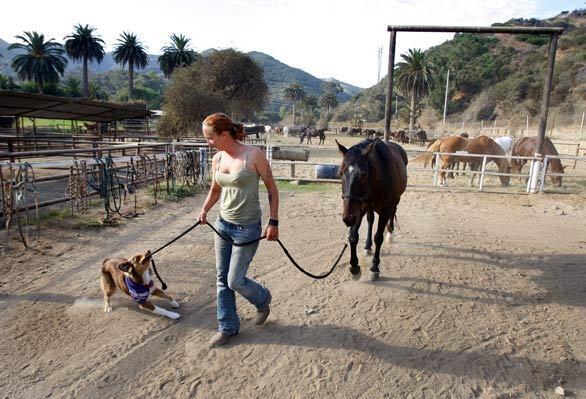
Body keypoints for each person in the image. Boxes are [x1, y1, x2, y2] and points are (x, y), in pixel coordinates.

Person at [198, 113, 279, 347]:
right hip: (223, 225)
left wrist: (273, 222)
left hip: (248, 228)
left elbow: (272, 189)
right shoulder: (218, 159)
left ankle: (262, 299)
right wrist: (204, 210)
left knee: (235, 280)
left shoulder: (253, 155)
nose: (208, 142)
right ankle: (228, 328)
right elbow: (215, 189)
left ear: (224, 134)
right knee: (222, 279)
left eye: (210, 138)